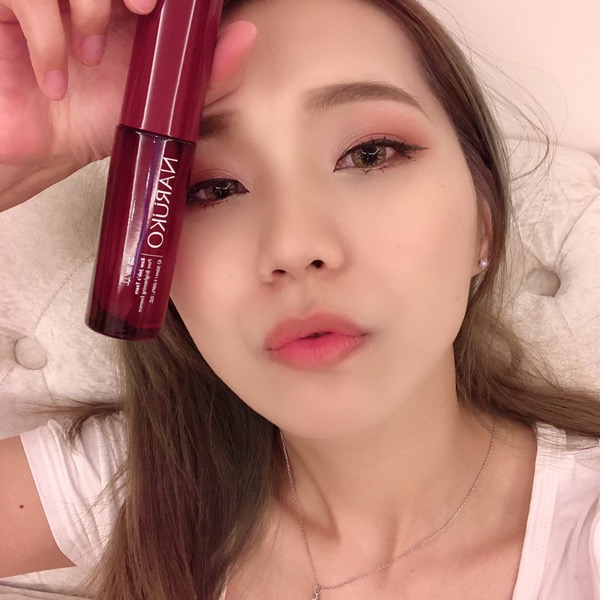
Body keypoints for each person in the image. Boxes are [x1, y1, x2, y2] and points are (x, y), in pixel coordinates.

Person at [0, 0, 599, 599]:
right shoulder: (140, 483)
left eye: (369, 154)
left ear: (485, 221)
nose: (293, 245)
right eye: (212, 188)